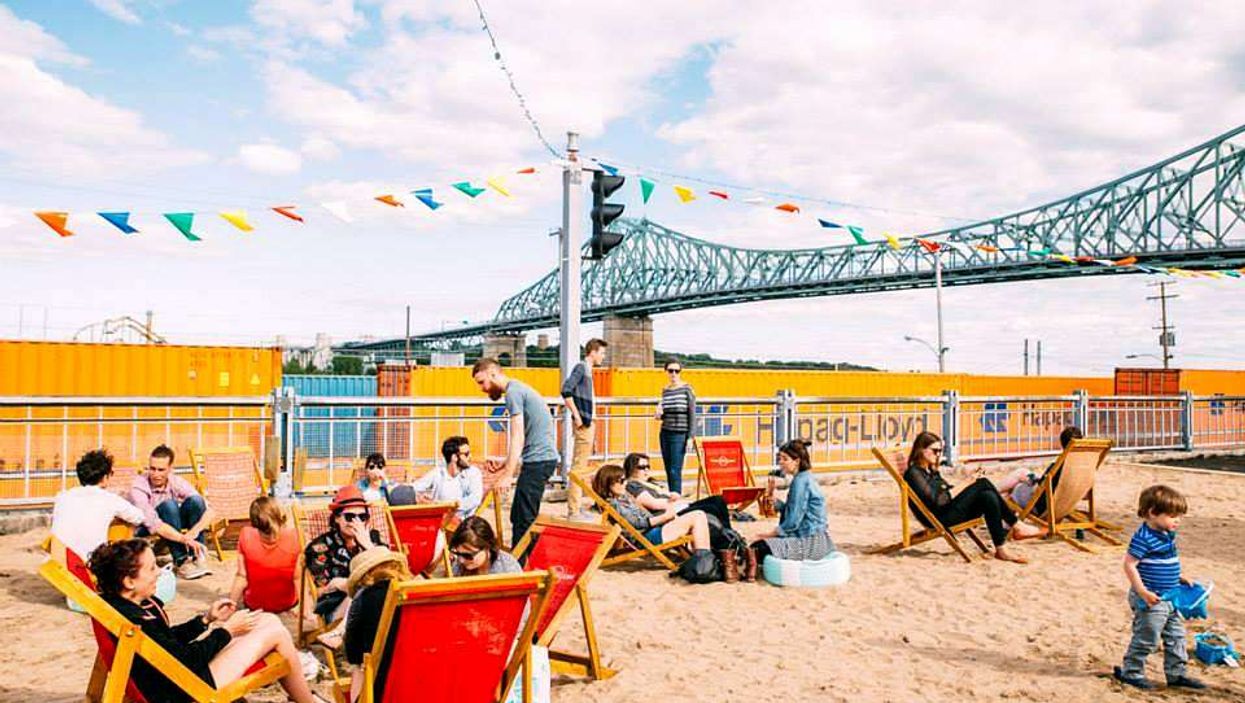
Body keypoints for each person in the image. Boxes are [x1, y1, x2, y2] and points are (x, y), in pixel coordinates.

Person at [88, 539, 323, 703]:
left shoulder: (124, 607)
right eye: (151, 568)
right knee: (276, 633)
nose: (159, 572)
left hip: (179, 676)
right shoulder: (136, 620)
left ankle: (304, 698)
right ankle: (307, 700)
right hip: (184, 688)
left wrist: (205, 620)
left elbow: (167, 644)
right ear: (129, 581)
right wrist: (227, 631)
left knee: (267, 620)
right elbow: (186, 660)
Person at [1113, 485, 1206, 690]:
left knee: (1176, 637)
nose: (1178, 520)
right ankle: (1131, 673)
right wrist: (1142, 592)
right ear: (1153, 512)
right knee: (1147, 638)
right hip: (1151, 599)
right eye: (1173, 516)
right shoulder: (1143, 538)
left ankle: (1177, 674)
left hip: (1171, 596)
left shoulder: (1166, 534)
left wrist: (1179, 577)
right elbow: (1129, 565)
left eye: (1179, 516)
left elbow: (1163, 562)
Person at [904, 431, 1043, 564]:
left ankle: (1001, 549)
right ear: (921, 450)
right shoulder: (914, 473)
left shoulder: (931, 471)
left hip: (947, 512)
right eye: (935, 450)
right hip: (939, 519)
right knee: (983, 483)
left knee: (988, 496)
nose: (938, 454)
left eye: (941, 451)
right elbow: (939, 501)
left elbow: (947, 492)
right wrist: (967, 482)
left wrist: (967, 483)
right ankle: (1017, 525)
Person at [471, 357, 560, 546]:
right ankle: (526, 557)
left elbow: (517, 435)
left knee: (523, 518)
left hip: (538, 461)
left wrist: (507, 475)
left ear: (493, 374)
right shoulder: (519, 389)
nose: (482, 388)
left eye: (482, 382)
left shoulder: (513, 393)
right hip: (541, 459)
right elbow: (530, 435)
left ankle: (523, 561)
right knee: (520, 515)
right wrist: (506, 461)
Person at [304, 485, 381, 649]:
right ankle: (339, 633)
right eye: (350, 517)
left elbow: (391, 571)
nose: (356, 523)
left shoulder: (373, 539)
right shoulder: (320, 547)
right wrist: (341, 584)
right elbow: (319, 591)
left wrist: (367, 545)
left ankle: (341, 634)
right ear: (337, 518)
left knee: (373, 589)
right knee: (364, 589)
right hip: (336, 606)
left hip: (374, 600)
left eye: (362, 517)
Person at [747, 439, 835, 582]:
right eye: (779, 458)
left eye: (785, 459)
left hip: (809, 543)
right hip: (820, 540)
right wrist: (779, 505)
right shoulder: (805, 478)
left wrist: (768, 535)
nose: (780, 462)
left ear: (797, 461)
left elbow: (793, 521)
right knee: (760, 545)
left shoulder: (800, 482)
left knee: (757, 547)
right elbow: (799, 511)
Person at [127, 444, 215, 580]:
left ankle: (197, 557)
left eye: (161, 470)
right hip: (143, 527)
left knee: (196, 501)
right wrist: (185, 539)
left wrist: (193, 532)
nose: (156, 474)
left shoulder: (175, 480)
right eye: (152, 469)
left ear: (170, 469)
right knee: (169, 506)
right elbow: (154, 524)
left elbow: (210, 511)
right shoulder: (139, 487)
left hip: (170, 523)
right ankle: (181, 561)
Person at [343, 546, 413, 703]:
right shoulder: (418, 594)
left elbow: (353, 655)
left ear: (363, 577)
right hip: (427, 682)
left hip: (384, 689)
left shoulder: (363, 599)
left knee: (359, 666)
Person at [591, 464, 712, 553]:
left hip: (653, 531)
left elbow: (644, 516)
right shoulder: (614, 504)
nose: (625, 483)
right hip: (646, 538)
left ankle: (702, 558)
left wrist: (667, 517)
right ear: (609, 483)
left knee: (699, 515)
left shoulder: (623, 497)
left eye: (625, 480)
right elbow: (637, 523)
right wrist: (665, 517)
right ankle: (703, 560)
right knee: (698, 515)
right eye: (621, 481)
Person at [51, 448, 144, 561]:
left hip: (58, 563)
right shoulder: (110, 499)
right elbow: (139, 517)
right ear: (105, 477)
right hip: (89, 562)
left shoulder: (62, 497)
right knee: (124, 523)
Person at [622, 452, 733, 530]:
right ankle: (729, 542)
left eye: (648, 466)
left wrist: (674, 497)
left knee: (717, 500)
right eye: (642, 467)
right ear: (631, 468)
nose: (646, 470)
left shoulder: (650, 482)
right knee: (713, 507)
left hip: (679, 508)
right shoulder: (633, 485)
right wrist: (674, 499)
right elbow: (654, 504)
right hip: (670, 515)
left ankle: (729, 537)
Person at [562, 338, 607, 521]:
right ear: (593, 352)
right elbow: (566, 390)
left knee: (581, 466)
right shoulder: (581, 368)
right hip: (584, 423)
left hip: (588, 422)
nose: (603, 357)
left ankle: (576, 508)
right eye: (602, 353)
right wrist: (577, 416)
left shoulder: (587, 370)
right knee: (579, 468)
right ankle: (573, 511)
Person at [229, 496, 300, 614]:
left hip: (254, 604)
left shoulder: (246, 535)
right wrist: (306, 608)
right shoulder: (295, 536)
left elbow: (241, 576)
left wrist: (231, 604)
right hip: (287, 603)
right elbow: (298, 578)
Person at [993, 426, 1084, 513]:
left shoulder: (1059, 466)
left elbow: (1039, 488)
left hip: (1042, 506)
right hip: (1065, 504)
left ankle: (992, 493)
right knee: (1022, 472)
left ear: (1062, 443)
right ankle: (995, 495)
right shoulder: (1082, 465)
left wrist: (1031, 481)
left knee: (1014, 485)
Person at [391, 436, 484, 520]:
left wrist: (446, 505)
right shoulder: (438, 473)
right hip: (440, 524)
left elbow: (474, 499)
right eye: (466, 454)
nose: (470, 457)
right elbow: (415, 487)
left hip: (464, 525)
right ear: (454, 457)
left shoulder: (473, 474)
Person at [656, 359, 696, 495]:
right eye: (670, 370)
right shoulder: (665, 390)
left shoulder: (687, 389)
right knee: (668, 468)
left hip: (679, 434)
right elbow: (666, 414)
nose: (674, 373)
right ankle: (672, 496)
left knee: (675, 469)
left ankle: (676, 496)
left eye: (677, 371)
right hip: (665, 432)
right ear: (666, 372)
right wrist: (659, 414)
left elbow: (692, 414)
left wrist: (690, 437)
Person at [448, 516, 523, 577]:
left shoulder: (507, 570)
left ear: (487, 548)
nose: (461, 560)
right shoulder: (459, 567)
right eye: (458, 554)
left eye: (468, 556)